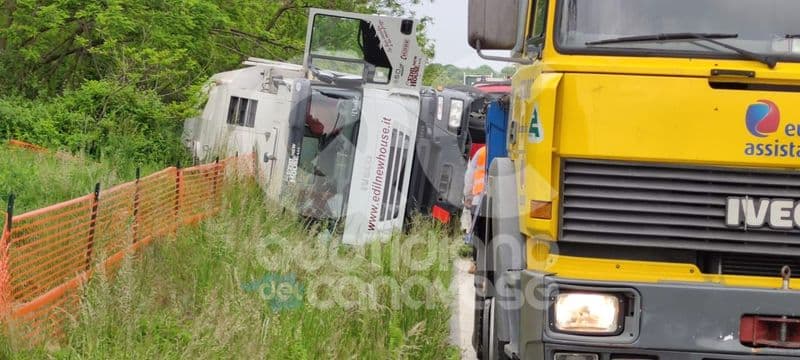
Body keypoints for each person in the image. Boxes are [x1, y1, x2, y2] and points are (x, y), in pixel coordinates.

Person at [461, 145, 487, 274]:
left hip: (478, 199)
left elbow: (470, 176)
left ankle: (476, 264)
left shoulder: (481, 152)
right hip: (496, 200)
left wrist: (468, 196)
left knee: (478, 234)